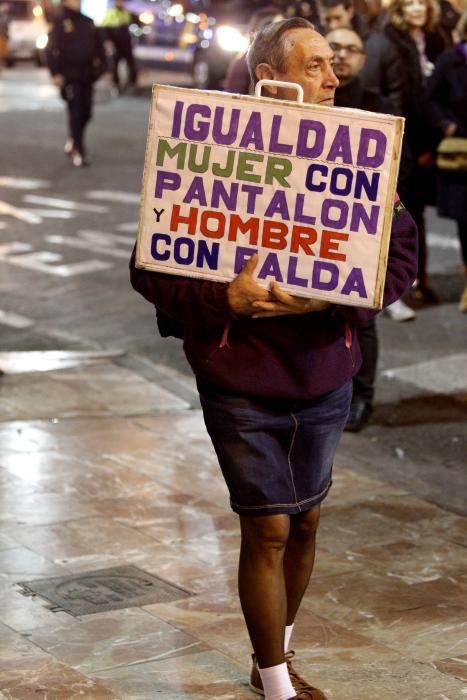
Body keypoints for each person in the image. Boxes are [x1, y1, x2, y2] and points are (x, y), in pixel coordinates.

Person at [130, 17, 418, 700]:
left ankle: (278, 649)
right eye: (315, 64)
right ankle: (274, 680)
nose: (331, 76)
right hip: (239, 375)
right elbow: (151, 266)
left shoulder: (358, 151)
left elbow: (399, 257)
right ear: (269, 78)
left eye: (332, 63)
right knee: (266, 526)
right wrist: (223, 297)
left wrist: (332, 300)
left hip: (325, 369)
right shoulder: (202, 145)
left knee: (308, 516)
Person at [385, 0, 447, 303]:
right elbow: (402, 98)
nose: (417, 8)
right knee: (407, 214)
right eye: (410, 3)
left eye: (422, 2)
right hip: (408, 139)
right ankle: (407, 283)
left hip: (430, 137)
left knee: (420, 212)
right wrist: (410, 146)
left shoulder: (436, 38)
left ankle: (421, 278)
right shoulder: (392, 41)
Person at [427, 10, 467, 311]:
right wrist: (448, 125)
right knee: (466, 222)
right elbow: (431, 98)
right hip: (462, 152)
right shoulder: (450, 59)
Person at [46, 0, 107, 168]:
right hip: (69, 76)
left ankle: (73, 140)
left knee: (86, 113)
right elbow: (51, 49)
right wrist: (55, 72)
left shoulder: (88, 22)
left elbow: (99, 47)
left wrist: (103, 68)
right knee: (76, 111)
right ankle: (79, 149)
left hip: (87, 75)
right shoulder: (60, 21)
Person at [320, 0, 405, 115]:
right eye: (335, 47)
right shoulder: (316, 41)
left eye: (352, 50)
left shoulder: (380, 46)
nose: (342, 55)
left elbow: (396, 94)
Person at [101, 0, 138, 94]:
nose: (121, 3)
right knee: (114, 66)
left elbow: (136, 21)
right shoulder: (110, 13)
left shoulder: (127, 12)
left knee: (131, 65)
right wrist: (107, 41)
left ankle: (131, 83)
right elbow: (104, 29)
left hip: (126, 44)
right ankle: (116, 85)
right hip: (116, 45)